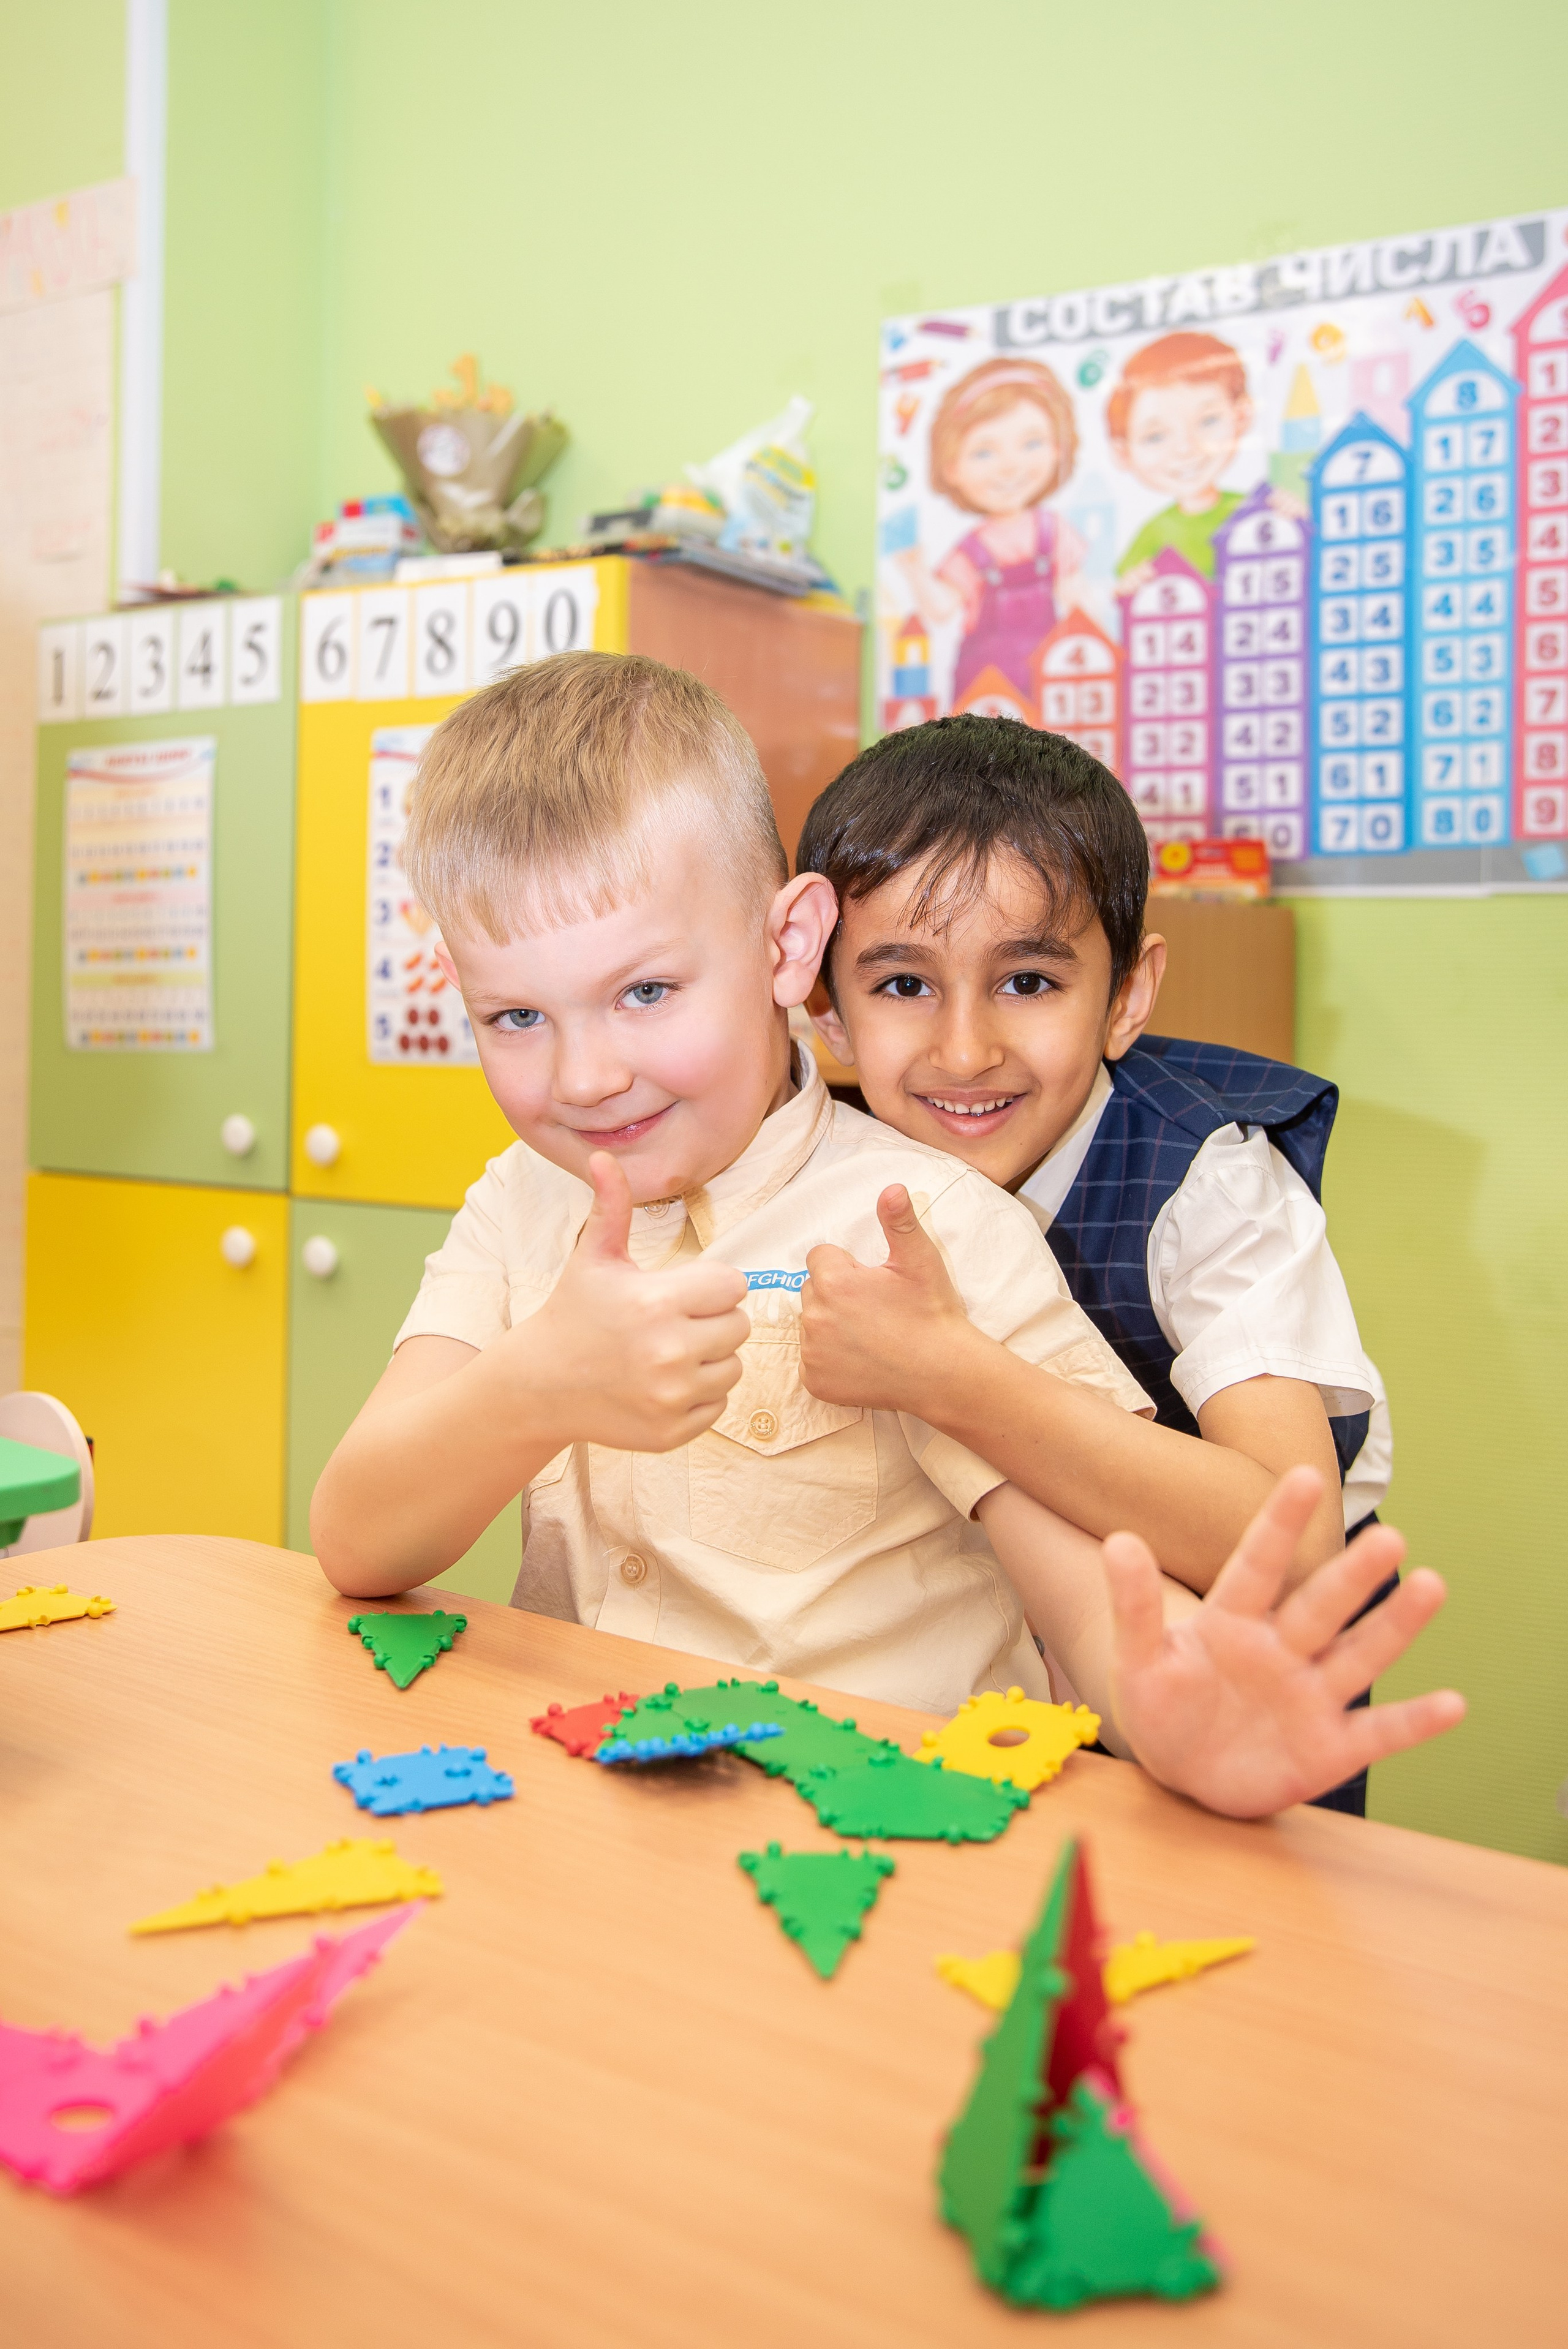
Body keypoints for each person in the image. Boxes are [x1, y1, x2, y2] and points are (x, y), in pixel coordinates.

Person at [311, 655, 1458, 1819]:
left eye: (647, 993)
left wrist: (1165, 1715)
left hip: (879, 1841)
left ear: (786, 947)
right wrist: (532, 1391)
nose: (588, 1075)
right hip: (586, 1815)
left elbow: (1084, 1596)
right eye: (516, 1016)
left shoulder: (931, 1222)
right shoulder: (518, 1201)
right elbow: (356, 1539)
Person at [795, 714, 1393, 1811]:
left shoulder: (1210, 1185)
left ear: (1126, 994)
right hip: (1006, 1720)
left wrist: (950, 1376)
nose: (965, 1050)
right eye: (901, 985)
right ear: (825, 1009)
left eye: (1027, 982)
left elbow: (1293, 1543)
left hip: (1237, 1735)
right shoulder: (826, 1164)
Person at [896, 356, 1085, 706]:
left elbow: (1077, 599)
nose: (1010, 466)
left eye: (1031, 443)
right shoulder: (971, 551)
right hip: (983, 684)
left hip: (1047, 677)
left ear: (1059, 448)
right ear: (952, 467)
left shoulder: (1054, 531)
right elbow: (941, 609)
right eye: (984, 452)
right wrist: (914, 570)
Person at [1110, 330, 1292, 596]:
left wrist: (1292, 516)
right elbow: (1125, 588)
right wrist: (1133, 584)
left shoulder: (1248, 509)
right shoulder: (1156, 530)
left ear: (1241, 416)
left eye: (1208, 421)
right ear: (1124, 453)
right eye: (1155, 436)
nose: (1185, 449)